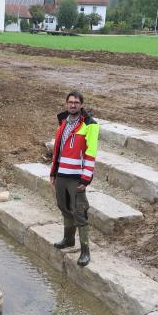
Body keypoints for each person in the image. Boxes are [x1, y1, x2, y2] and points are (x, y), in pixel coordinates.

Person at [49, 90, 99, 267]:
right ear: (66, 104)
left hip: (77, 177)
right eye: (70, 102)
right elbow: (58, 151)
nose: (73, 105)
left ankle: (85, 251)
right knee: (63, 207)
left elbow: (91, 153)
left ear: (81, 105)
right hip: (62, 174)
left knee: (80, 212)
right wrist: (53, 172)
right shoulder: (62, 122)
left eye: (76, 102)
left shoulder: (90, 125)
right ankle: (68, 240)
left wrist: (86, 179)